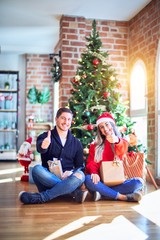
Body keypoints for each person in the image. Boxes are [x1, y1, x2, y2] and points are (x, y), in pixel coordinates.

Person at [19, 107, 88, 204]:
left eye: (69, 119)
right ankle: (72, 192)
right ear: (56, 119)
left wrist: (71, 172)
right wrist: (43, 146)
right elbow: (40, 148)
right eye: (63, 118)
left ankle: (42, 197)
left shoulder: (76, 143)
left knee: (80, 175)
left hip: (68, 178)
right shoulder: (45, 136)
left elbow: (79, 166)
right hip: (48, 178)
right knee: (36, 169)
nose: (66, 122)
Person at [85, 112, 144, 202]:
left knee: (139, 182)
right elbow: (91, 162)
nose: (105, 128)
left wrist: (116, 140)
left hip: (117, 182)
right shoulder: (95, 145)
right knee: (88, 179)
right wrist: (94, 172)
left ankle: (103, 194)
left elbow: (121, 151)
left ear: (112, 125)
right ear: (100, 130)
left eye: (107, 124)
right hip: (100, 182)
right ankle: (122, 197)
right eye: (101, 127)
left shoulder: (121, 141)